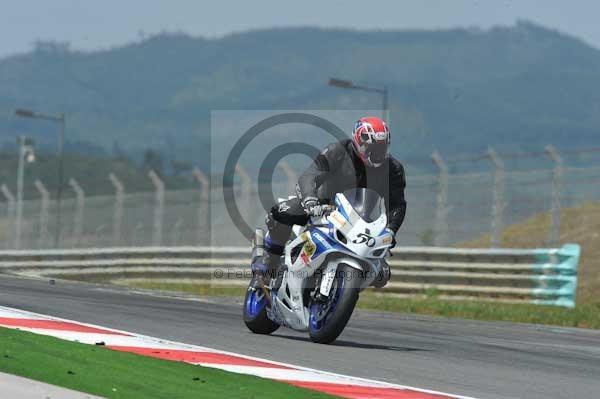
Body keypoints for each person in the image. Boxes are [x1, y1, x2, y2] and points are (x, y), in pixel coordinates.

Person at [261, 116, 406, 288]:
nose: (377, 153)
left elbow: (397, 204)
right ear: (360, 142)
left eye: (382, 148)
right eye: (373, 148)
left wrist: (390, 230)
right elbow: (310, 175)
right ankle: (266, 267)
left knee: (381, 275)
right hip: (322, 208)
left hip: (360, 224)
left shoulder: (393, 169)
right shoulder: (337, 151)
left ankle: (340, 294)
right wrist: (310, 200)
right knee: (281, 212)